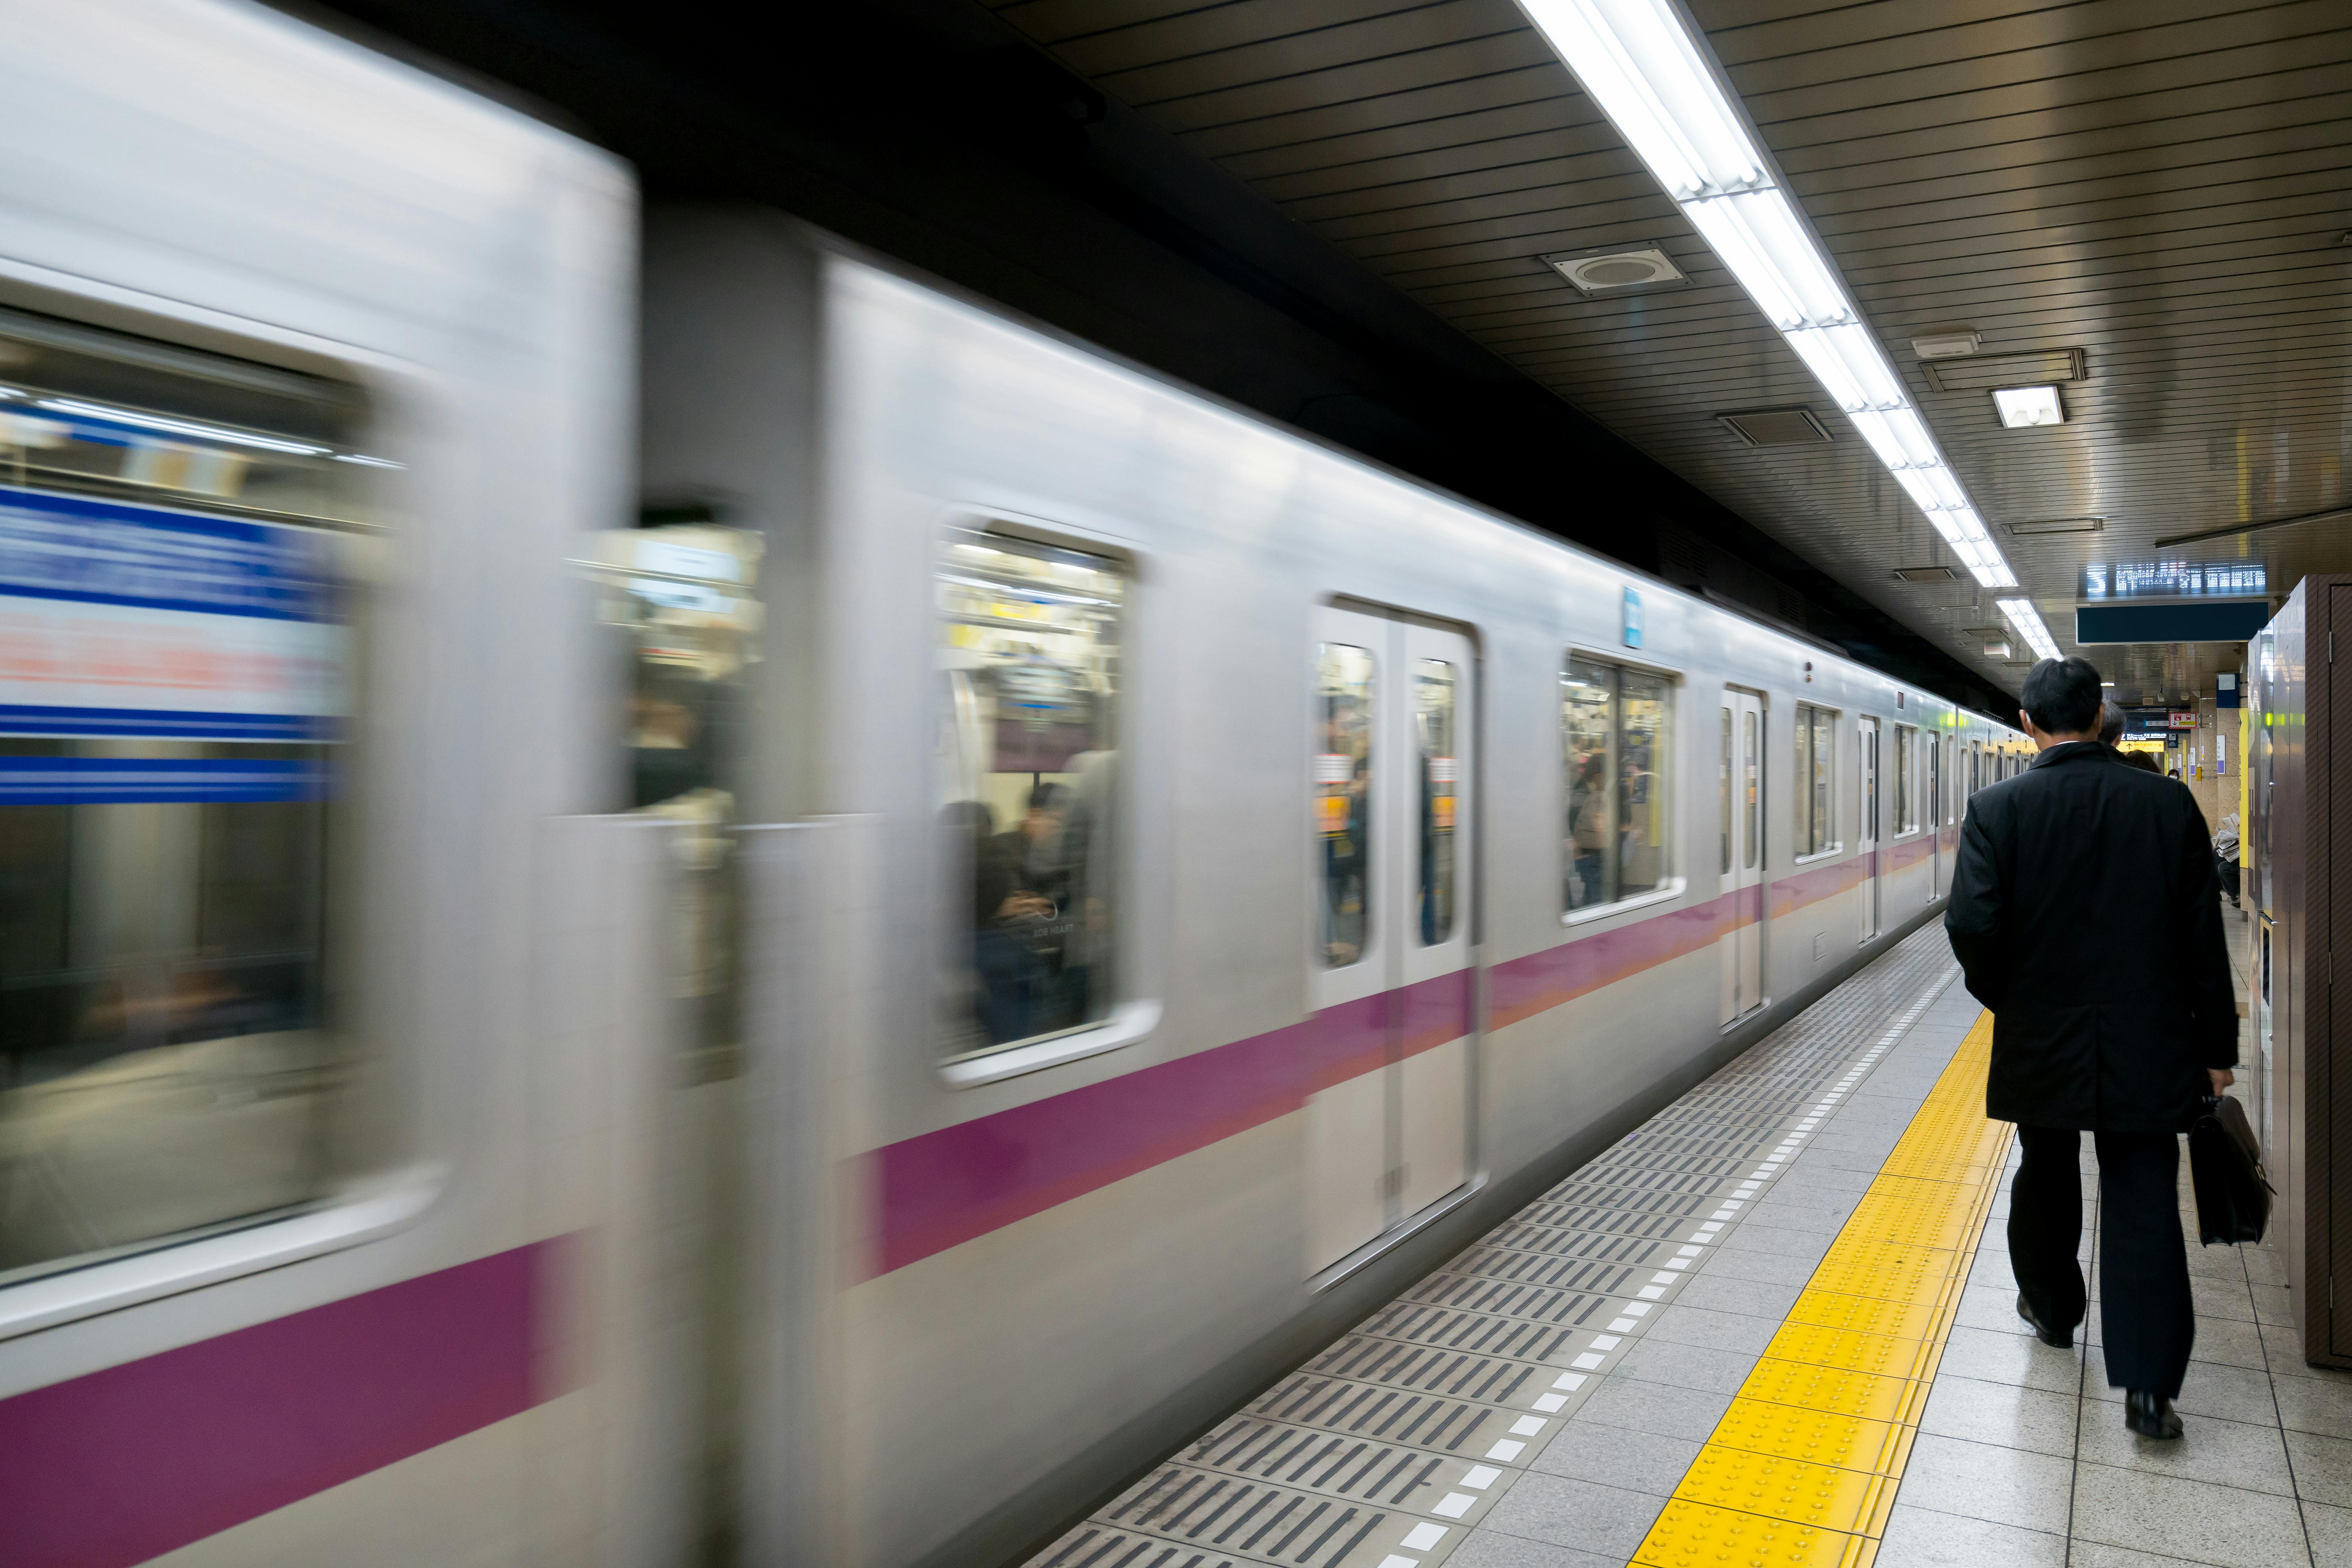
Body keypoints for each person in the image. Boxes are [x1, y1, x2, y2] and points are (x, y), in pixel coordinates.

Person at [1945, 656, 2238, 1441]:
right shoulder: (2167, 804)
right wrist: (2216, 1044)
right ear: (2102, 717)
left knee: (2045, 1171)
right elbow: (2201, 938)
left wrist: (2013, 998)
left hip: (2042, 1038)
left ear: (2028, 723)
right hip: (2150, 1039)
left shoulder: (1994, 809)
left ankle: (2050, 1307)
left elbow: (1972, 925)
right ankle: (2149, 1389)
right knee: (2144, 1190)